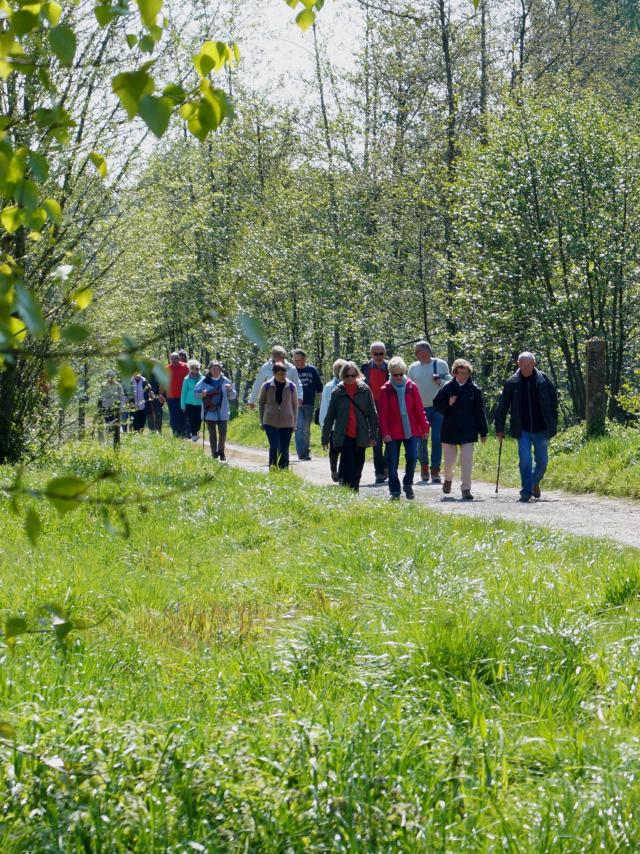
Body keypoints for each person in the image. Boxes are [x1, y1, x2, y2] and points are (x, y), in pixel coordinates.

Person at [494, 351, 558, 502]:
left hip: (541, 428)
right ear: (518, 365)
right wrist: (499, 429)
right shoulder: (512, 382)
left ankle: (533, 482)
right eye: (523, 366)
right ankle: (526, 491)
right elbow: (502, 406)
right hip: (522, 428)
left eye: (529, 365)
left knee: (542, 461)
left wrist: (553, 421)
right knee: (525, 460)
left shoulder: (544, 380)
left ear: (534, 364)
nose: (526, 369)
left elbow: (554, 402)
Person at [434, 358, 488, 500]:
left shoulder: (474, 390)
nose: (463, 376)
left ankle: (466, 489)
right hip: (449, 430)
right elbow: (437, 405)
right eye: (461, 373)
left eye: (466, 373)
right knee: (449, 462)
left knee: (466, 461)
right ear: (454, 373)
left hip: (468, 430)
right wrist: (448, 403)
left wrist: (484, 432)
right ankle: (448, 479)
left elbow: (479, 411)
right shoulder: (447, 387)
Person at [321, 362, 378, 492]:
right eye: (347, 376)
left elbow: (372, 414)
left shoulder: (365, 390)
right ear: (342, 376)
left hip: (361, 434)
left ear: (357, 375)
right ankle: (349, 491)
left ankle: (354, 489)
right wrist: (325, 437)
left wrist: (374, 435)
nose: (350, 378)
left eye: (353, 375)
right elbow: (330, 416)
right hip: (344, 435)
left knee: (359, 464)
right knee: (349, 464)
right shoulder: (337, 392)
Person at [378, 357, 430, 500]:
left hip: (412, 430)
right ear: (390, 374)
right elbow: (382, 415)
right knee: (392, 461)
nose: (399, 377)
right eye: (395, 374)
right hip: (392, 432)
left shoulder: (412, 387)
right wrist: (385, 433)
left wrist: (425, 428)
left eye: (401, 373)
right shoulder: (385, 390)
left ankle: (408, 483)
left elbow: (419, 410)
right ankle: (395, 490)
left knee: (412, 458)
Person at [407, 340, 451, 484]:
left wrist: (439, 381)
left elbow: (450, 384)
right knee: (421, 441)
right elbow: (409, 388)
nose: (416, 354)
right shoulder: (413, 367)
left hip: (438, 408)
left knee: (437, 440)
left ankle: (435, 470)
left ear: (426, 350)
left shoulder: (440, 364)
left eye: (417, 351)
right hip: (419, 409)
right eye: (415, 352)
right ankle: (424, 467)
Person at [258, 363, 299, 469]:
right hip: (270, 422)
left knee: (284, 449)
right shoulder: (267, 386)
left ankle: (284, 470)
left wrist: (294, 423)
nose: (282, 376)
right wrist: (262, 421)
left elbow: (295, 405)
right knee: (275, 446)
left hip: (287, 423)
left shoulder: (291, 386)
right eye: (280, 374)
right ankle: (273, 468)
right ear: (274, 374)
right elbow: (261, 403)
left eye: (284, 374)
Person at [195, 361, 237, 460]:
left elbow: (233, 396)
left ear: (221, 370)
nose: (216, 371)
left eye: (218, 369)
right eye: (213, 369)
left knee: (223, 433)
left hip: (223, 412)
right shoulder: (204, 381)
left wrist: (230, 389)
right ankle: (214, 452)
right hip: (209, 411)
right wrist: (202, 394)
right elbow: (196, 394)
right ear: (209, 370)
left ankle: (221, 451)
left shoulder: (226, 381)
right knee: (212, 433)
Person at [360, 341, 389, 483]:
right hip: (370, 406)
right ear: (371, 354)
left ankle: (387, 467)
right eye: (375, 354)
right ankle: (379, 471)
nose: (378, 356)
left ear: (385, 353)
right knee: (376, 439)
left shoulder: (391, 367)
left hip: (388, 406)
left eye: (381, 353)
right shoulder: (364, 367)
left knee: (390, 438)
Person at [292, 348, 323, 460]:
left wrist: (321, 404)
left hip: (309, 403)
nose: (296, 362)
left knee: (306, 428)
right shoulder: (292, 371)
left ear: (304, 358)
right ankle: (301, 453)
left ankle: (306, 450)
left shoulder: (312, 370)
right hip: (295, 404)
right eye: (294, 360)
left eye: (298, 360)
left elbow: (319, 388)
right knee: (299, 426)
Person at [319, 358, 347, 482]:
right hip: (333, 426)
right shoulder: (329, 387)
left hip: (346, 424)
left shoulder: (351, 385)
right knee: (334, 450)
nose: (339, 371)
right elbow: (324, 406)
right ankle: (333, 470)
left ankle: (342, 473)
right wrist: (324, 425)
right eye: (337, 369)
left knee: (345, 450)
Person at [162, 352, 189, 437]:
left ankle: (184, 432)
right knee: (173, 415)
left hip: (184, 396)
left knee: (183, 414)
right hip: (171, 396)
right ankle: (175, 432)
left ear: (179, 358)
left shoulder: (186, 367)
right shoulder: (166, 369)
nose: (174, 361)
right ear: (170, 359)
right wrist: (160, 394)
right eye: (172, 359)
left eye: (175, 359)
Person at [181, 359, 204, 442]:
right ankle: (194, 434)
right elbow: (183, 392)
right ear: (190, 369)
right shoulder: (186, 379)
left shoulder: (203, 379)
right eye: (193, 368)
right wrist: (182, 404)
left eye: (197, 368)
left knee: (199, 419)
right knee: (191, 419)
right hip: (189, 402)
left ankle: (196, 431)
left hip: (200, 402)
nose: (195, 370)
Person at [98, 370, 126, 434]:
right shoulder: (103, 385)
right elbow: (100, 397)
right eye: (108, 376)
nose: (110, 378)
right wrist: (100, 408)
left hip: (115, 408)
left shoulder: (118, 385)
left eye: (111, 376)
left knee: (115, 423)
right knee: (108, 424)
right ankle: (109, 436)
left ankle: (116, 437)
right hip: (106, 408)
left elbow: (122, 397)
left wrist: (122, 408)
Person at [145, 361, 164, 433]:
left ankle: (159, 431)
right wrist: (147, 392)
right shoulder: (145, 374)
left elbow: (163, 385)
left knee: (159, 414)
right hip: (148, 398)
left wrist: (162, 396)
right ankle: (152, 431)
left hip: (158, 397)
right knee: (150, 415)